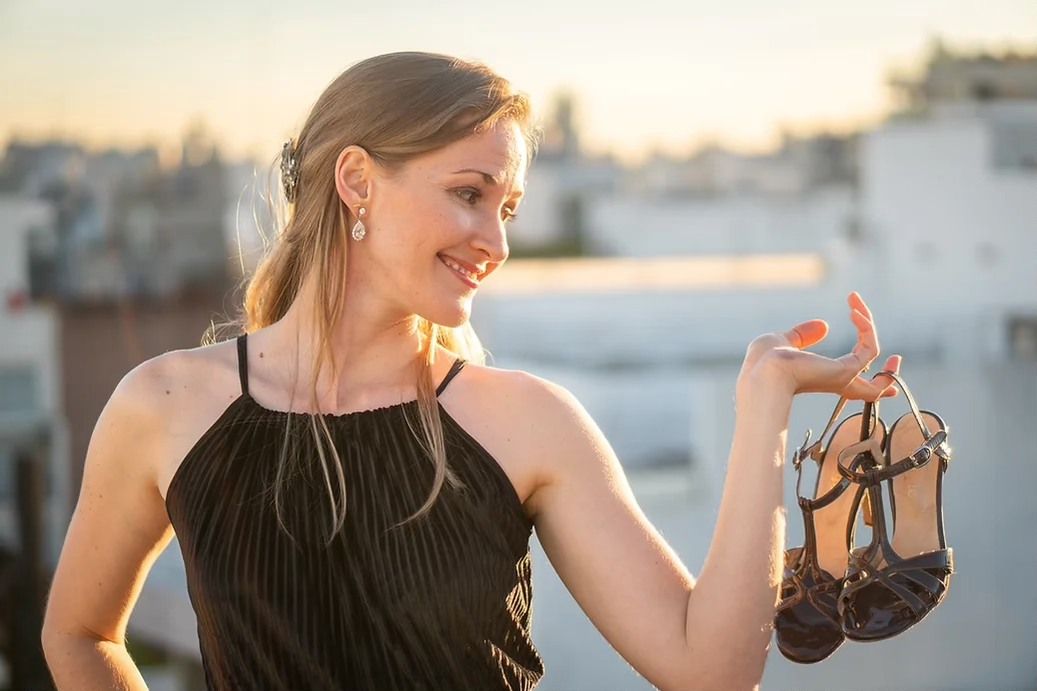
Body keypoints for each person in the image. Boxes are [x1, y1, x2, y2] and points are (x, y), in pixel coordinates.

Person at [39, 51, 901, 690]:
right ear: (356, 181)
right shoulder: (163, 405)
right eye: (469, 193)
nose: (496, 241)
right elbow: (79, 633)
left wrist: (764, 408)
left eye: (509, 207)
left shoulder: (524, 422)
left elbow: (709, 667)